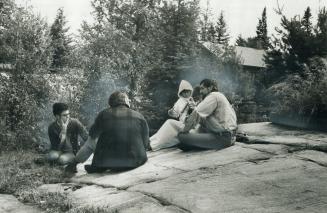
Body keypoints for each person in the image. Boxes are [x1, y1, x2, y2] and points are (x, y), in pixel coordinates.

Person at [66, 91, 150, 173]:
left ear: (111, 102)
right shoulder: (139, 116)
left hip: (110, 163)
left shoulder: (104, 114)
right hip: (137, 162)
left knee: (91, 141)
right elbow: (146, 143)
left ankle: (74, 163)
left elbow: (92, 134)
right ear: (125, 101)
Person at [177, 79, 237, 150]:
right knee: (184, 144)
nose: (200, 91)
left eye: (202, 88)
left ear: (210, 88)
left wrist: (183, 131)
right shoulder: (220, 95)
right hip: (229, 135)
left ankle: (198, 144)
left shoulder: (213, 96)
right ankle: (199, 144)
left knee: (181, 137)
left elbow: (196, 113)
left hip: (223, 138)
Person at [150, 80, 197, 150]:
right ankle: (151, 141)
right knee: (167, 126)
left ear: (190, 91)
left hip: (190, 124)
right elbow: (175, 114)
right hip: (182, 123)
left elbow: (197, 113)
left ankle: (154, 144)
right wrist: (171, 112)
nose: (186, 94)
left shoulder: (192, 101)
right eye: (184, 92)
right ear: (181, 93)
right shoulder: (179, 102)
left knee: (169, 123)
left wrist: (193, 108)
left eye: (188, 91)